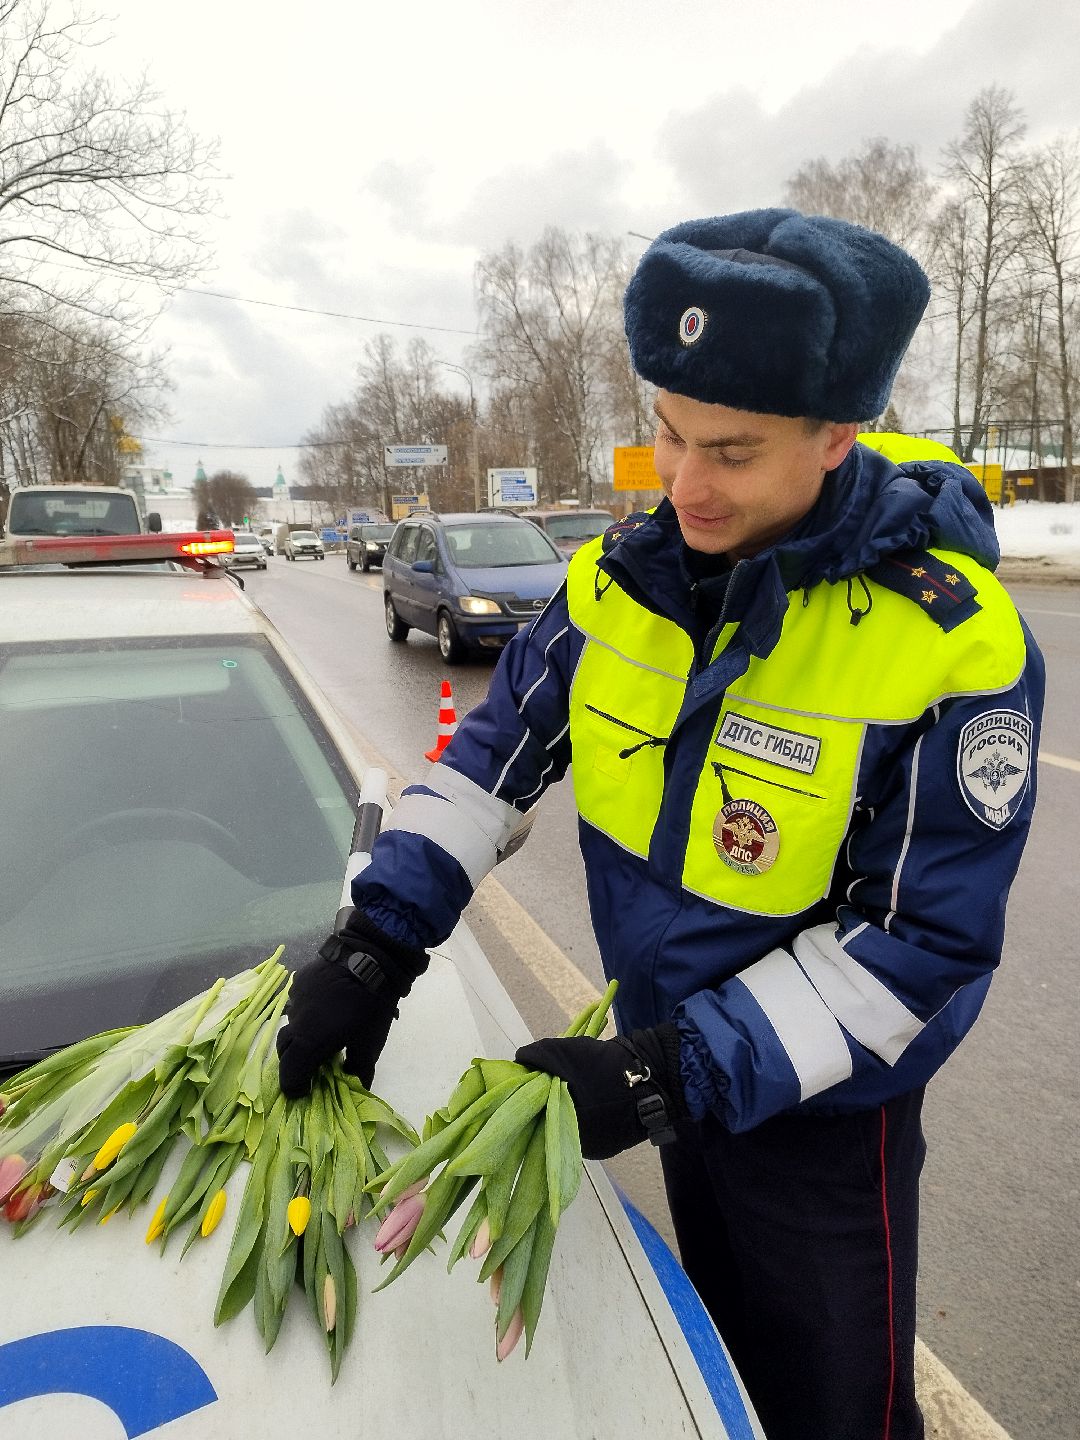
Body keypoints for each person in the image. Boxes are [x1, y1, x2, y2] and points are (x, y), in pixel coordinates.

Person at [277, 209, 1044, 1440]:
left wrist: (667, 1070)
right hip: (675, 1094)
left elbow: (921, 945)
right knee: (726, 1382)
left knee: (838, 1412)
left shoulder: (950, 641)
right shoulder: (623, 575)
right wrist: (377, 944)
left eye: (731, 451)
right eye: (668, 435)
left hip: (821, 1136)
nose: (685, 484)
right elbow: (489, 757)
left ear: (838, 435)